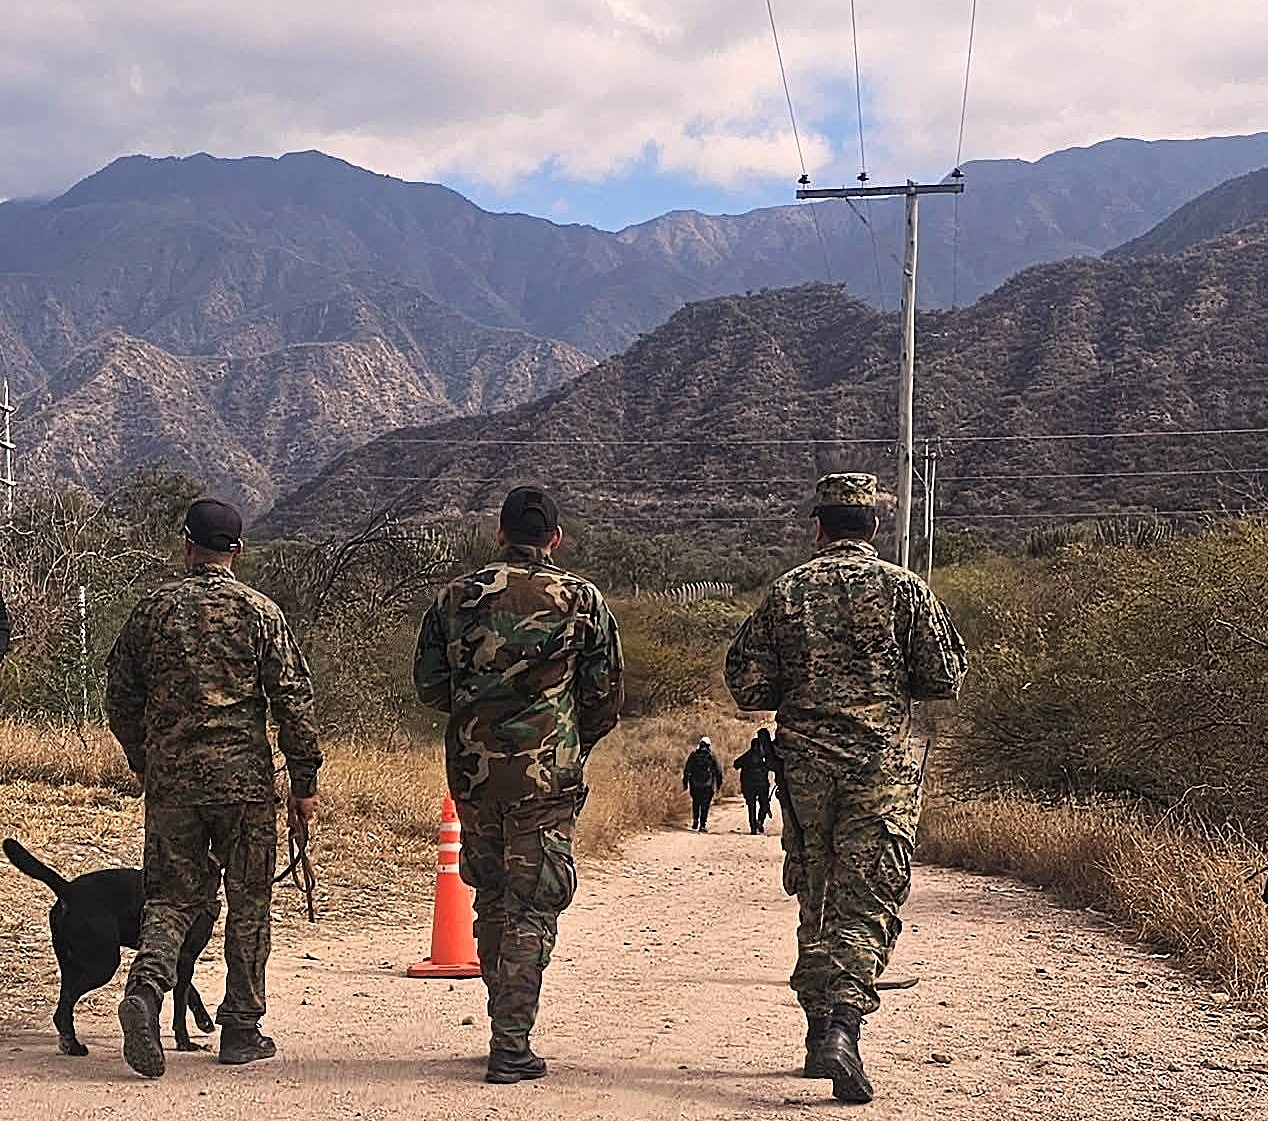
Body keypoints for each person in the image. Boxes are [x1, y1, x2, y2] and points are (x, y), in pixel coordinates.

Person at [724, 473, 968, 1104]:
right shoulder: (906, 591)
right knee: (866, 900)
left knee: (816, 890)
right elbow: (944, 677)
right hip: (879, 769)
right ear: (874, 527)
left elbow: (749, 686)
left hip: (804, 769)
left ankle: (815, 1032)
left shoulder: (787, 593)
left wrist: (800, 689)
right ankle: (842, 1027)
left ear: (819, 526)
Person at [105, 498, 322, 1079]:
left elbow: (120, 697)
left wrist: (142, 759)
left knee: (172, 899)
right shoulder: (260, 612)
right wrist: (304, 780)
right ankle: (241, 1030)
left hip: (173, 785)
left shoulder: (152, 612)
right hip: (244, 787)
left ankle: (147, 994)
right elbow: (293, 702)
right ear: (237, 551)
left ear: (186, 545)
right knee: (249, 903)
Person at [414, 485, 624, 1085]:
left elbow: (430, 687)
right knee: (534, 901)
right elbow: (605, 698)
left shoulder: (456, 597)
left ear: (500, 533)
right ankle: (512, 1040)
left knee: (494, 898)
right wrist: (563, 737)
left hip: (475, 777)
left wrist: (477, 710)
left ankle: (501, 1025)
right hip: (546, 778)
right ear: (553, 539)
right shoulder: (582, 600)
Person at [733, 728, 775, 834]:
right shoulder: (765, 756)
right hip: (762, 785)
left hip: (749, 786)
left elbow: (736, 764)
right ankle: (760, 821)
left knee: (751, 807)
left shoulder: (747, 756)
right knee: (764, 805)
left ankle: (753, 828)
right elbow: (773, 766)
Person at [681, 736, 723, 832]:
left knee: (696, 802)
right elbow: (718, 771)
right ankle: (702, 825)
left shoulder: (693, 755)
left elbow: (687, 770)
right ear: (709, 745)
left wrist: (685, 783)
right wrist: (719, 785)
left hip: (695, 783)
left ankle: (695, 820)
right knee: (705, 805)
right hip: (708, 785)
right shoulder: (712, 756)